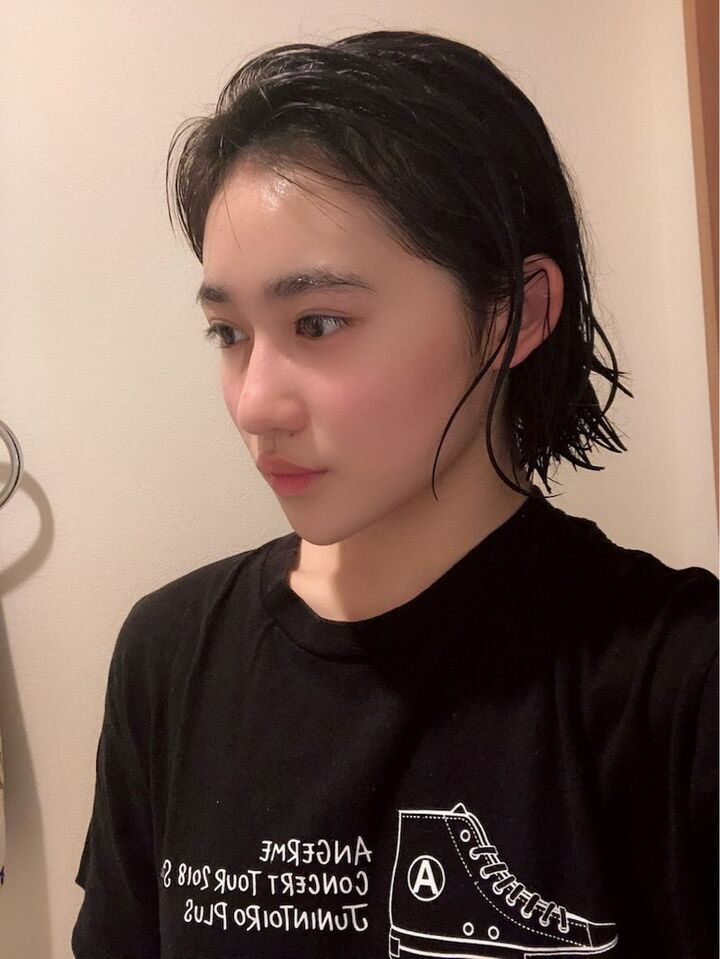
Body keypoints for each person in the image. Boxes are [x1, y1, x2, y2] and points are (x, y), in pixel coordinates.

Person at [72, 29, 718, 959]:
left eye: (318, 322)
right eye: (229, 332)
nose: (254, 404)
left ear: (517, 315)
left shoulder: (677, 679)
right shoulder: (168, 654)